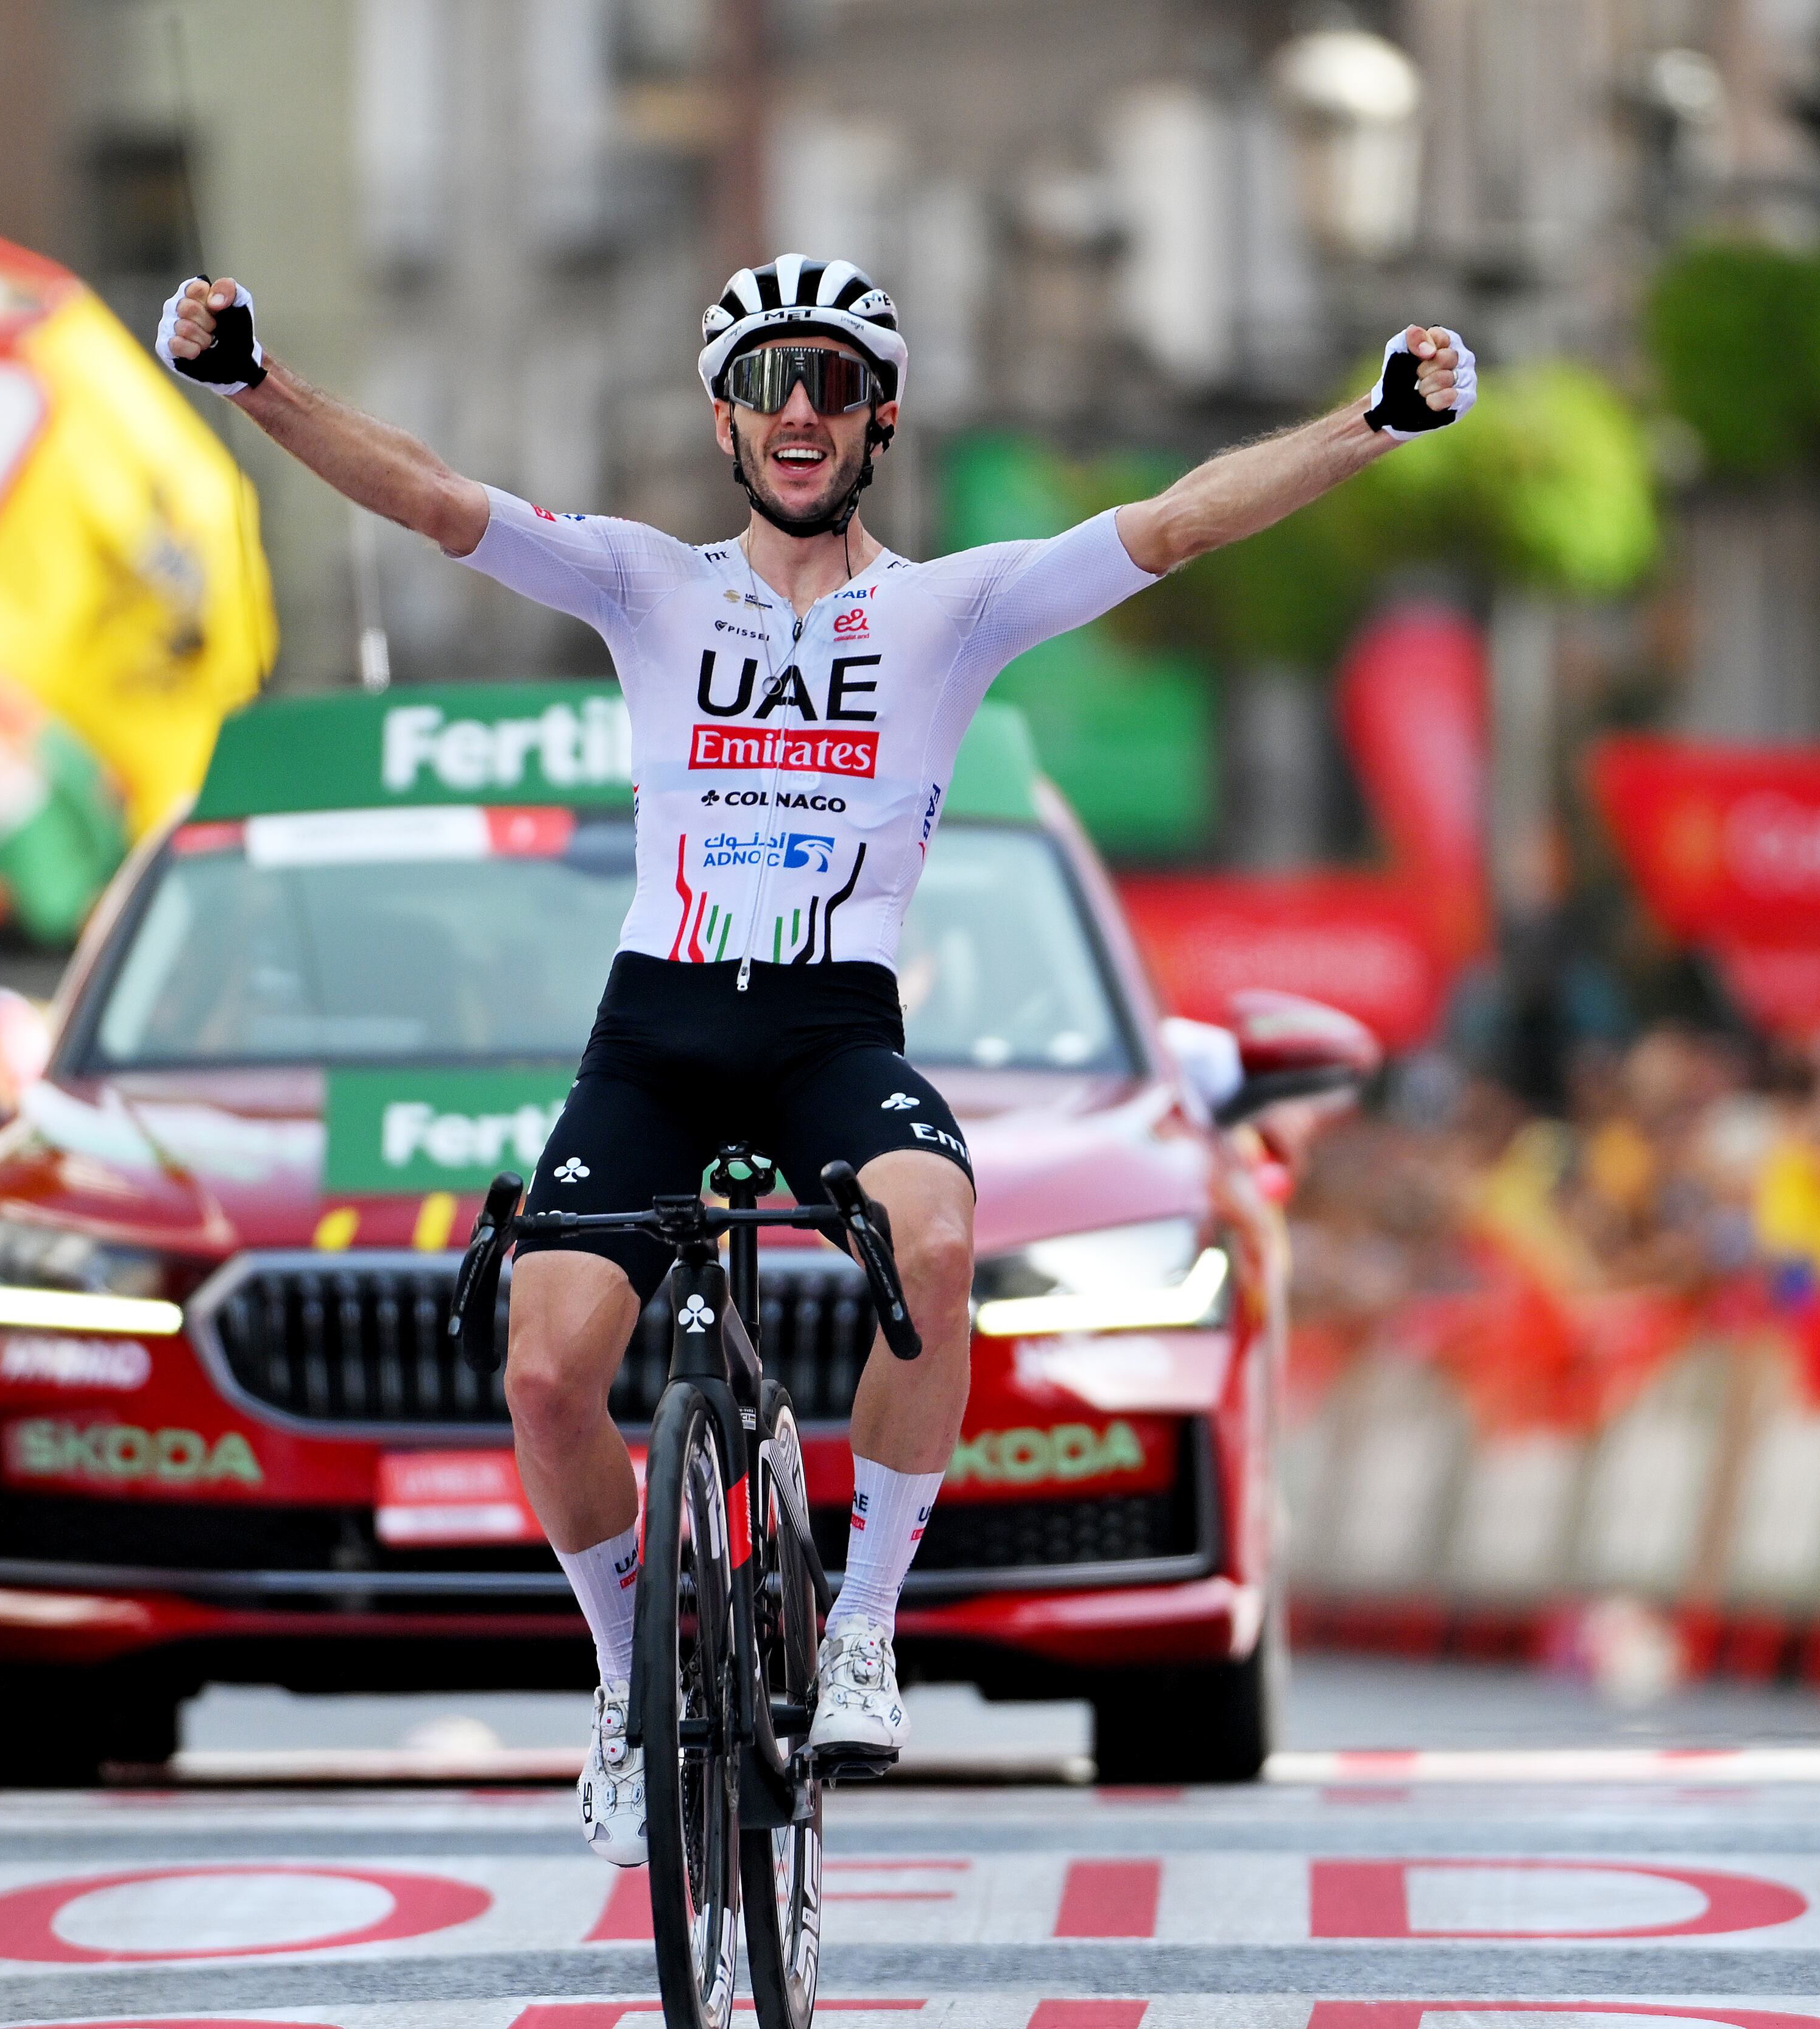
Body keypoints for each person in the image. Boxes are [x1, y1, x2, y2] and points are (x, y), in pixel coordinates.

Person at [157, 255, 1474, 1863]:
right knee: (547, 1369)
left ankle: (860, 1623)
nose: (800, 412)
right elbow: (437, 501)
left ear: (881, 417)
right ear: (724, 415)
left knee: (935, 1235)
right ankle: (629, 1679)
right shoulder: (644, 583)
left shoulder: (951, 608)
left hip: (832, 1031)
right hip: (658, 1025)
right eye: (770, 381)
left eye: (835, 383)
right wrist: (253, 383)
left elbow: (1179, 521)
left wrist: (1377, 420)